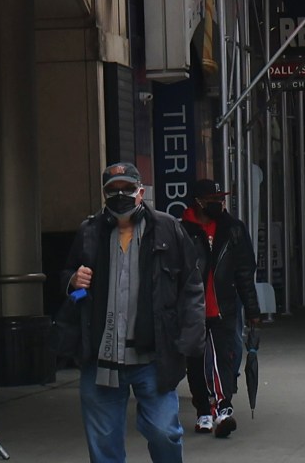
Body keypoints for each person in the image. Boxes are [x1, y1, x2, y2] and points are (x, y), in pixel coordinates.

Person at [58, 163, 205, 463]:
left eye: (126, 188)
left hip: (152, 357)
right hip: (102, 360)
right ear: (103, 194)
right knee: (103, 445)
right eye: (112, 190)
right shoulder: (90, 231)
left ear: (141, 192)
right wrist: (73, 281)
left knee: (164, 432)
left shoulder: (167, 228)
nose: (120, 195)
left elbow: (191, 286)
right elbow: (67, 275)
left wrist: (189, 341)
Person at [177, 180, 259, 438]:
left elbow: (245, 272)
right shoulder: (181, 231)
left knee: (223, 357)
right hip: (191, 308)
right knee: (197, 363)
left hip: (224, 306)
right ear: (199, 202)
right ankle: (203, 409)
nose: (219, 203)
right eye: (213, 198)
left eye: (221, 198)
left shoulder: (233, 229)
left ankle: (224, 408)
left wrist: (254, 311)